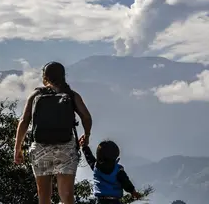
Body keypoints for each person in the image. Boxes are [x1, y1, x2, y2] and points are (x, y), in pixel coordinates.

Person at [14, 61, 92, 204]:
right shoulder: (71, 95)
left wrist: (18, 148)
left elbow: (24, 121)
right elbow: (86, 117)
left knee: (43, 196)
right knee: (67, 194)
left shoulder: (36, 95)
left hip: (40, 149)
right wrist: (86, 136)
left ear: (45, 77)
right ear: (63, 76)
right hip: (66, 148)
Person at [79, 137, 141, 204]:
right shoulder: (118, 170)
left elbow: (89, 157)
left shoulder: (96, 167)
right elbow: (125, 182)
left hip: (100, 201)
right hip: (114, 201)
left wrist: (84, 146)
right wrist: (133, 191)